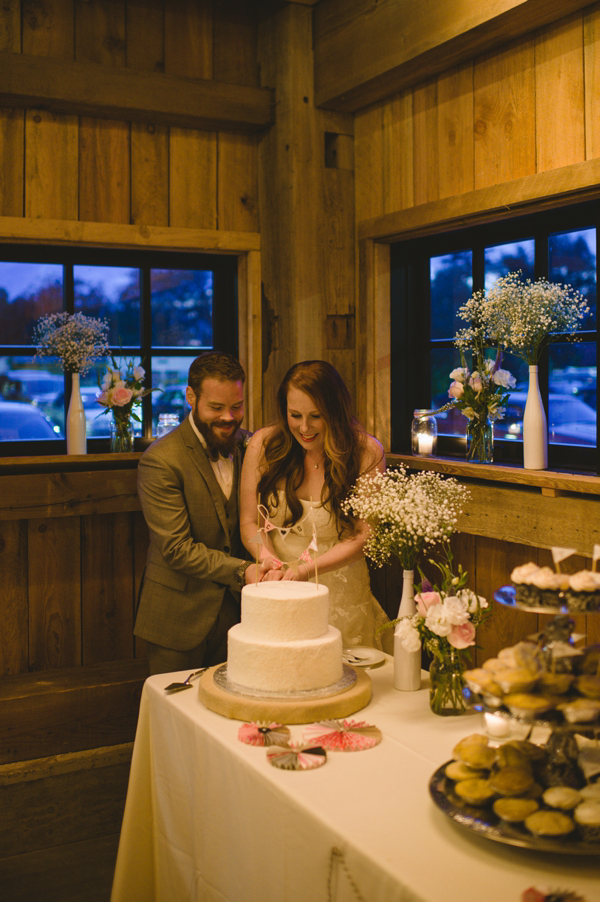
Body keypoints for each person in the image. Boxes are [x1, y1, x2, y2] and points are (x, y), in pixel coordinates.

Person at [240, 360, 392, 651]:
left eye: (316, 416)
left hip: (341, 594)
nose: (304, 427)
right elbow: (249, 522)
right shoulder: (264, 445)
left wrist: (306, 570)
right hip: (278, 588)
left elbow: (364, 535)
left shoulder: (365, 452)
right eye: (294, 415)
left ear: (335, 412)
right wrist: (267, 558)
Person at [135, 351, 270, 675]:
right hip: (178, 619)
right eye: (216, 408)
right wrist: (244, 571)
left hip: (241, 618)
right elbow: (177, 550)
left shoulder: (251, 446)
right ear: (191, 397)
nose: (228, 417)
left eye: (236, 407)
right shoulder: (161, 460)